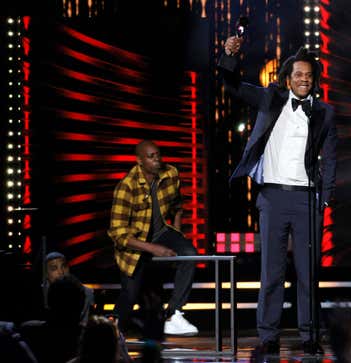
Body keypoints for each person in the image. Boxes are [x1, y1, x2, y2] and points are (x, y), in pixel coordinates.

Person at [219, 35, 337, 356]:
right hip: (272, 197)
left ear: (314, 81)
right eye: (298, 74)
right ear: (288, 78)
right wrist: (229, 57)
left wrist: (323, 199)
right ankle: (268, 335)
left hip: (306, 200)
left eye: (308, 76)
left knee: (307, 272)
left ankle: (310, 334)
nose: (303, 79)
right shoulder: (270, 100)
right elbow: (233, 86)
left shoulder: (324, 112)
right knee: (272, 271)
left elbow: (331, 157)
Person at [108, 140, 198, 337]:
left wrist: (176, 231)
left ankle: (174, 313)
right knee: (130, 295)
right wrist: (153, 249)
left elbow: (177, 206)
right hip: (135, 244)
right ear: (139, 160)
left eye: (158, 155)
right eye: (151, 157)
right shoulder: (127, 187)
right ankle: (111, 331)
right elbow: (118, 234)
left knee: (189, 254)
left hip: (161, 233)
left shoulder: (170, 173)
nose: (157, 160)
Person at [42, 251, 95, 324]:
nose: (61, 272)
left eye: (64, 266)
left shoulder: (87, 293)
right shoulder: (39, 294)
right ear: (46, 274)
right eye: (54, 268)